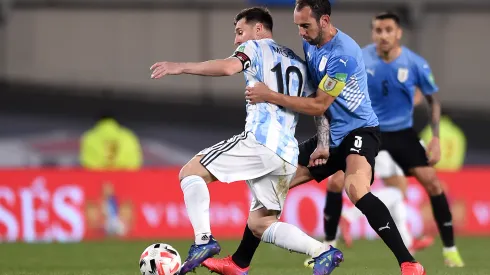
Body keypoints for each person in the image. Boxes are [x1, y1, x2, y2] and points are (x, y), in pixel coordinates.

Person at [203, 1, 425, 275]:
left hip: (359, 132)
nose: (301, 32)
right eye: (297, 25)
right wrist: (321, 143)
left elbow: (319, 104)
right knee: (271, 185)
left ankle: (409, 263)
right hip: (330, 137)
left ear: (324, 21)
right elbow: (314, 98)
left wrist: (269, 95)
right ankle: (238, 264)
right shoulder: (311, 45)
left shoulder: (343, 54)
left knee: (356, 189)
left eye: (305, 25)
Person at [150, 7, 343, 275]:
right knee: (261, 223)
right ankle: (323, 252)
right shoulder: (299, 63)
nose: (237, 40)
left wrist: (180, 67)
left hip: (260, 143)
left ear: (259, 29)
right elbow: (319, 108)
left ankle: (202, 241)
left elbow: (229, 67)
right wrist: (323, 143)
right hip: (286, 155)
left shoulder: (255, 48)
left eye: (240, 32)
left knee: (190, 173)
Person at [322, 11, 464, 268]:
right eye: (378, 30)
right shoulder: (360, 58)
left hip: (401, 133)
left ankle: (451, 250)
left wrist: (435, 139)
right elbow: (338, 93)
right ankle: (328, 245)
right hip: (366, 129)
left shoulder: (415, 63)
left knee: (433, 183)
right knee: (335, 181)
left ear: (398, 33)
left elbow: (432, 101)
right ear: (373, 34)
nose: (383, 35)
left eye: (388, 30)